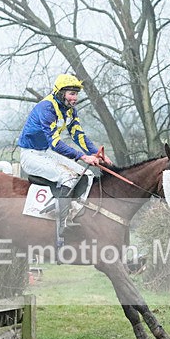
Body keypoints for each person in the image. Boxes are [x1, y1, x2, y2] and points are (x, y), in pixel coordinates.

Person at [18, 74, 112, 232]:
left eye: (76, 94)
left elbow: (78, 136)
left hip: (45, 152)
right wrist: (82, 156)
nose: (75, 98)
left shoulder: (70, 110)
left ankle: (73, 210)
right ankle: (62, 226)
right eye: (72, 94)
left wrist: (97, 154)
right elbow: (54, 143)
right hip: (31, 155)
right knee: (68, 176)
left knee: (87, 175)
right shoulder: (46, 108)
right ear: (61, 93)